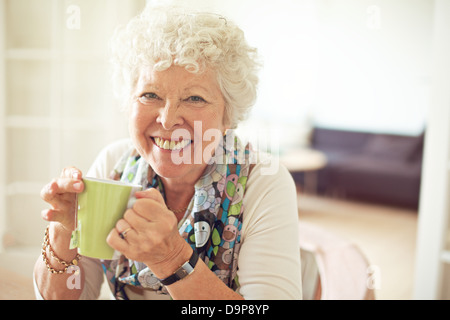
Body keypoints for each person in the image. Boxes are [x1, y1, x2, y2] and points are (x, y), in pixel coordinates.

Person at [34, 5, 302, 300]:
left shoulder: (264, 182)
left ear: (228, 116)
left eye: (195, 98)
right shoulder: (115, 164)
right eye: (151, 95)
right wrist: (62, 233)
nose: (167, 118)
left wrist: (171, 259)